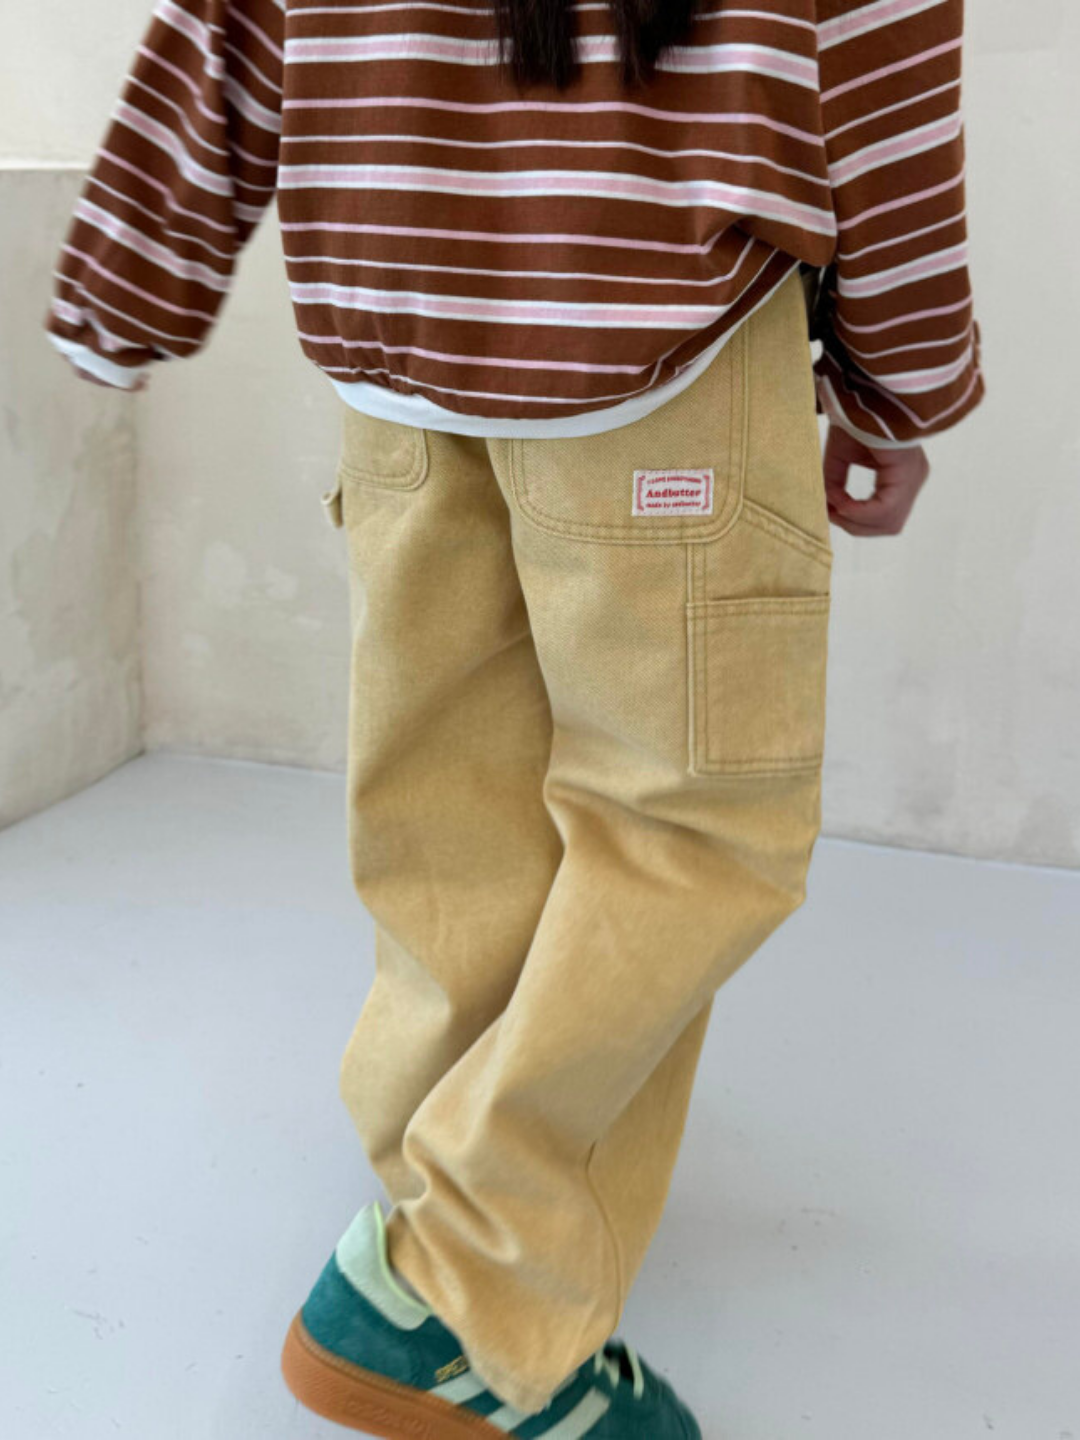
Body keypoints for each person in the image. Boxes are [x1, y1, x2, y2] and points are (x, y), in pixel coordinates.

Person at [42, 0, 985, 1434]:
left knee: (449, 806)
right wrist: (901, 385)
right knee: (693, 833)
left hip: (399, 346)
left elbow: (227, 27)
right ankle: (458, 1285)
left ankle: (439, 1174)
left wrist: (123, 290)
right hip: (666, 349)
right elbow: (879, 68)